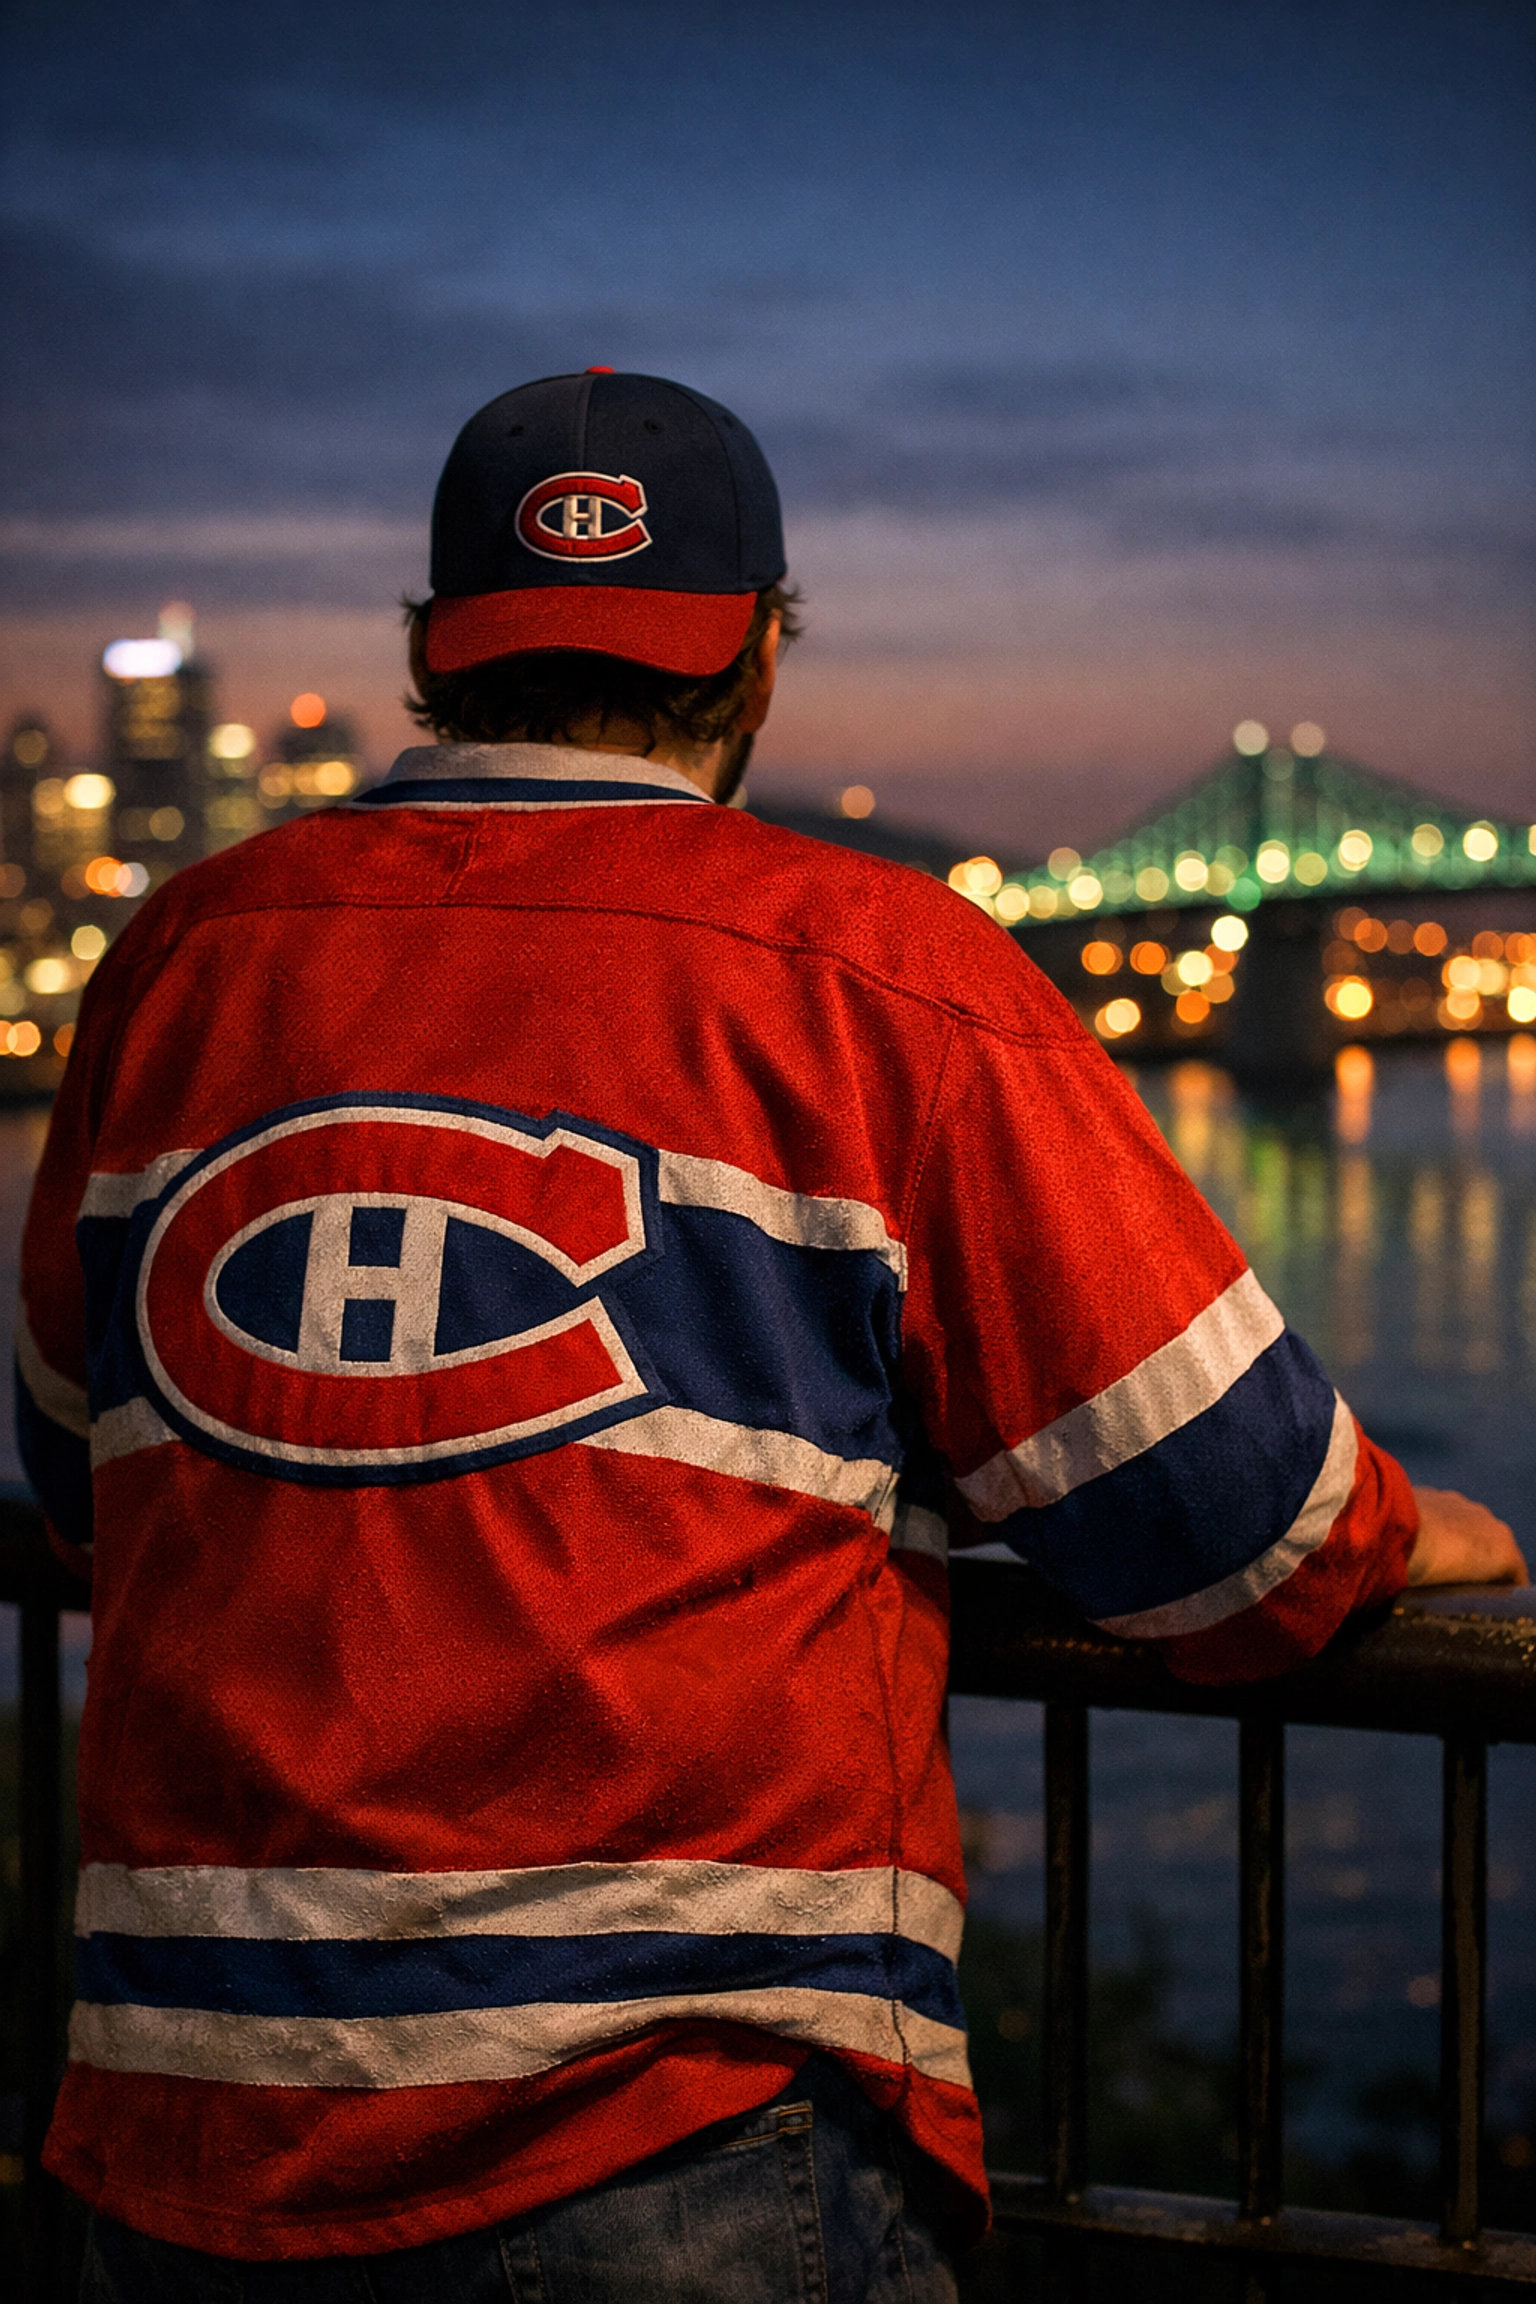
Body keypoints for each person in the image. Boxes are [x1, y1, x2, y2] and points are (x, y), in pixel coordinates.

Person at [17, 368, 1525, 2303]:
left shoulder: (177, 970)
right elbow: (1233, 1530)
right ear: (755, 664)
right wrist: (1396, 1539)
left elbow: (77, 1470)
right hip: (681, 2132)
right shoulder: (882, 980)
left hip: (178, 2146)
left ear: (432, 651)